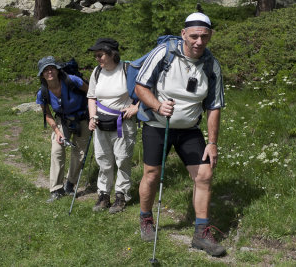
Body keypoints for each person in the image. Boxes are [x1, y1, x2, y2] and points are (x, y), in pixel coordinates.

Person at [134, 13, 226, 257]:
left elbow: (214, 106)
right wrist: (157, 106)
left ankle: (201, 233)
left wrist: (213, 142)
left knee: (204, 174)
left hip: (189, 130)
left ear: (210, 36)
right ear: (183, 34)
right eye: (194, 36)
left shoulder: (211, 65)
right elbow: (140, 86)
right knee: (151, 174)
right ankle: (145, 219)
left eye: (204, 36)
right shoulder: (163, 54)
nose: (198, 41)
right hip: (157, 125)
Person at [87, 38, 139, 214]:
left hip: (122, 124)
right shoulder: (96, 72)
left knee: (122, 159)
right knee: (103, 160)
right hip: (101, 123)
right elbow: (91, 97)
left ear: (111, 54)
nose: (97, 58)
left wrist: (136, 107)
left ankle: (121, 195)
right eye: (96, 55)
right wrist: (91, 117)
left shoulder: (127, 70)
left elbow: (146, 90)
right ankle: (103, 195)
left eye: (100, 55)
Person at [36, 56, 91, 203]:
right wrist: (57, 131)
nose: (49, 72)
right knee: (57, 150)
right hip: (63, 121)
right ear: (42, 74)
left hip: (83, 119)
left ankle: (70, 184)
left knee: (79, 153)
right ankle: (56, 189)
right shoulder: (43, 92)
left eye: (52, 68)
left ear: (57, 69)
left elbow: (92, 94)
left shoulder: (72, 80)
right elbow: (46, 113)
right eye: (45, 70)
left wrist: (94, 115)